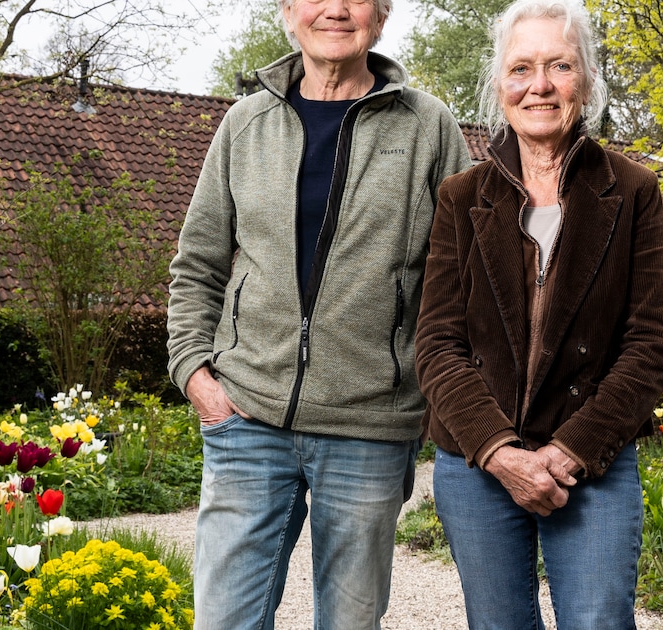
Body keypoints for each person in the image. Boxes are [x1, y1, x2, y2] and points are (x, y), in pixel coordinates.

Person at [166, 0, 472, 627]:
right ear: (287, 13)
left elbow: (462, 282)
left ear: (381, 16)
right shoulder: (244, 124)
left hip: (371, 428)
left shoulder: (429, 128)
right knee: (223, 619)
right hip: (246, 419)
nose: (335, 9)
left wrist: (425, 397)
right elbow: (197, 265)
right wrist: (196, 372)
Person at [414, 1, 663, 628]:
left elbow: (650, 344)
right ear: (499, 85)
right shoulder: (460, 198)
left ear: (585, 81)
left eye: (559, 66)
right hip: (478, 460)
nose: (539, 86)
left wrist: (567, 452)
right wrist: (500, 451)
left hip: (592, 460)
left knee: (598, 621)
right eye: (521, 69)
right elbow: (437, 343)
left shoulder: (632, 191)